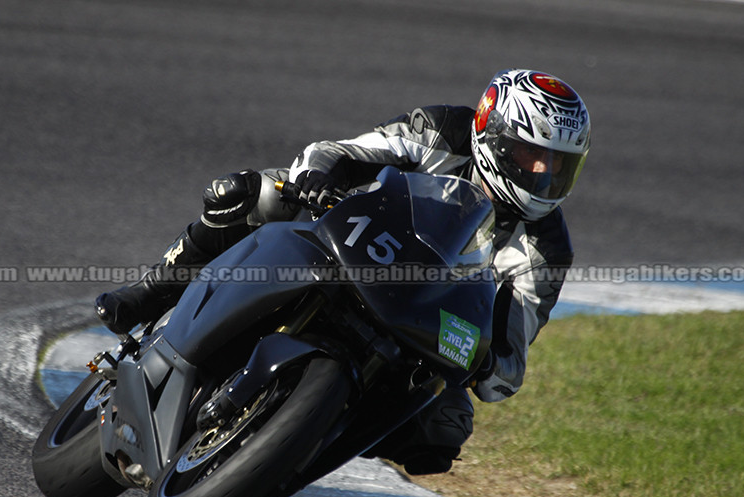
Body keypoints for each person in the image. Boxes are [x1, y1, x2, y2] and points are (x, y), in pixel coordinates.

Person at [95, 68, 591, 475]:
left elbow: (510, 362)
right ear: (493, 135)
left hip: (416, 323)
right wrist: (316, 179)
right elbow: (342, 152)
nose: (544, 174)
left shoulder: (547, 249)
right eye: (533, 155)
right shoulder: (443, 130)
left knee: (444, 428)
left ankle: (301, 441)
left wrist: (487, 360)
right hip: (350, 243)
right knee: (251, 192)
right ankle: (153, 289)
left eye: (559, 163)